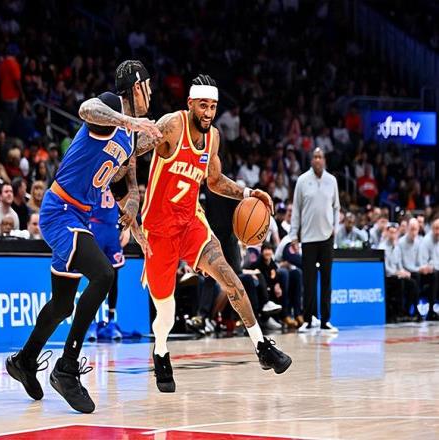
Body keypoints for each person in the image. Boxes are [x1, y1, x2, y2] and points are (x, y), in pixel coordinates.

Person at [5, 60, 161, 414]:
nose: (151, 93)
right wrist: (130, 121)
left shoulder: (129, 137)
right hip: (59, 210)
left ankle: (24, 360)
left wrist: (135, 221)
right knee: (104, 274)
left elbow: (122, 182)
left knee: (63, 304)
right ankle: (67, 367)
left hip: (80, 217)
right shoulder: (110, 107)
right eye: (149, 86)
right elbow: (86, 108)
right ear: (137, 86)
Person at [134, 74, 292, 393]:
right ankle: (161, 351)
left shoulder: (213, 138)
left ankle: (262, 346)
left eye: (213, 107)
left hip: (191, 222)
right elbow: (130, 153)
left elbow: (215, 181)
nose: (208, 113)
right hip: (159, 229)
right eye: (203, 106)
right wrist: (127, 198)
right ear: (190, 103)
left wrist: (248, 192)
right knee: (166, 312)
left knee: (229, 276)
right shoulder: (172, 125)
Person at [290, 148, 340, 333]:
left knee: (326, 280)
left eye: (320, 157)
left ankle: (325, 320)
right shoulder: (302, 180)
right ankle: (308, 319)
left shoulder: (332, 180)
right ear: (311, 160)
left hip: (327, 237)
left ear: (324, 160)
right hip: (308, 238)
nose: (318, 160)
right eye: (315, 157)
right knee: (309, 281)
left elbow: (336, 207)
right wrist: (294, 235)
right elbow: (296, 209)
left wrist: (335, 228)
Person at [89, 187, 127, 340]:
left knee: (113, 276)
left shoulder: (119, 177)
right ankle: (91, 322)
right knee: (94, 276)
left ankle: (111, 321)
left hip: (113, 228)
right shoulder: (93, 175)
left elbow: (127, 200)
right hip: (95, 225)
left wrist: (127, 228)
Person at [380, 223, 419, 322]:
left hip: (397, 275)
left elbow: (399, 264)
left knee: (412, 283)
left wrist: (404, 272)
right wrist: (397, 273)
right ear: (387, 233)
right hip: (388, 277)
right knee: (400, 282)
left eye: (394, 233)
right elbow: (386, 269)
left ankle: (407, 311)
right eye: (391, 232)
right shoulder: (382, 247)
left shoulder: (397, 247)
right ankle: (398, 313)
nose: (393, 235)